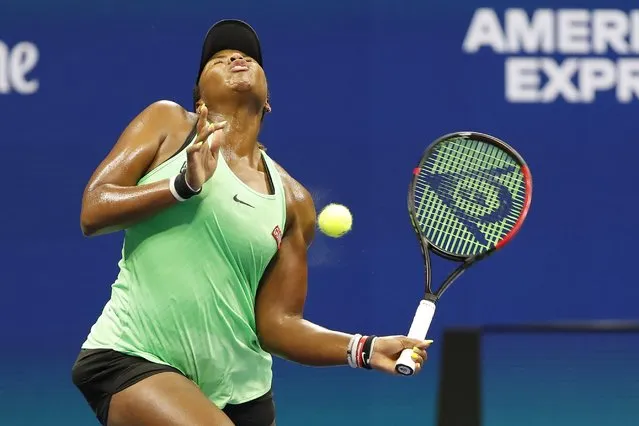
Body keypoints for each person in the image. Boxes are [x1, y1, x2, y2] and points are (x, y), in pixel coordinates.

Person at [71, 19, 431, 426]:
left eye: (246, 57)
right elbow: (94, 209)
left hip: (243, 394)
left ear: (269, 101)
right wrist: (181, 186)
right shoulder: (169, 125)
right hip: (133, 356)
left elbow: (277, 325)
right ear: (199, 97)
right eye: (219, 59)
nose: (237, 58)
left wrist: (363, 348)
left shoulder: (294, 202)